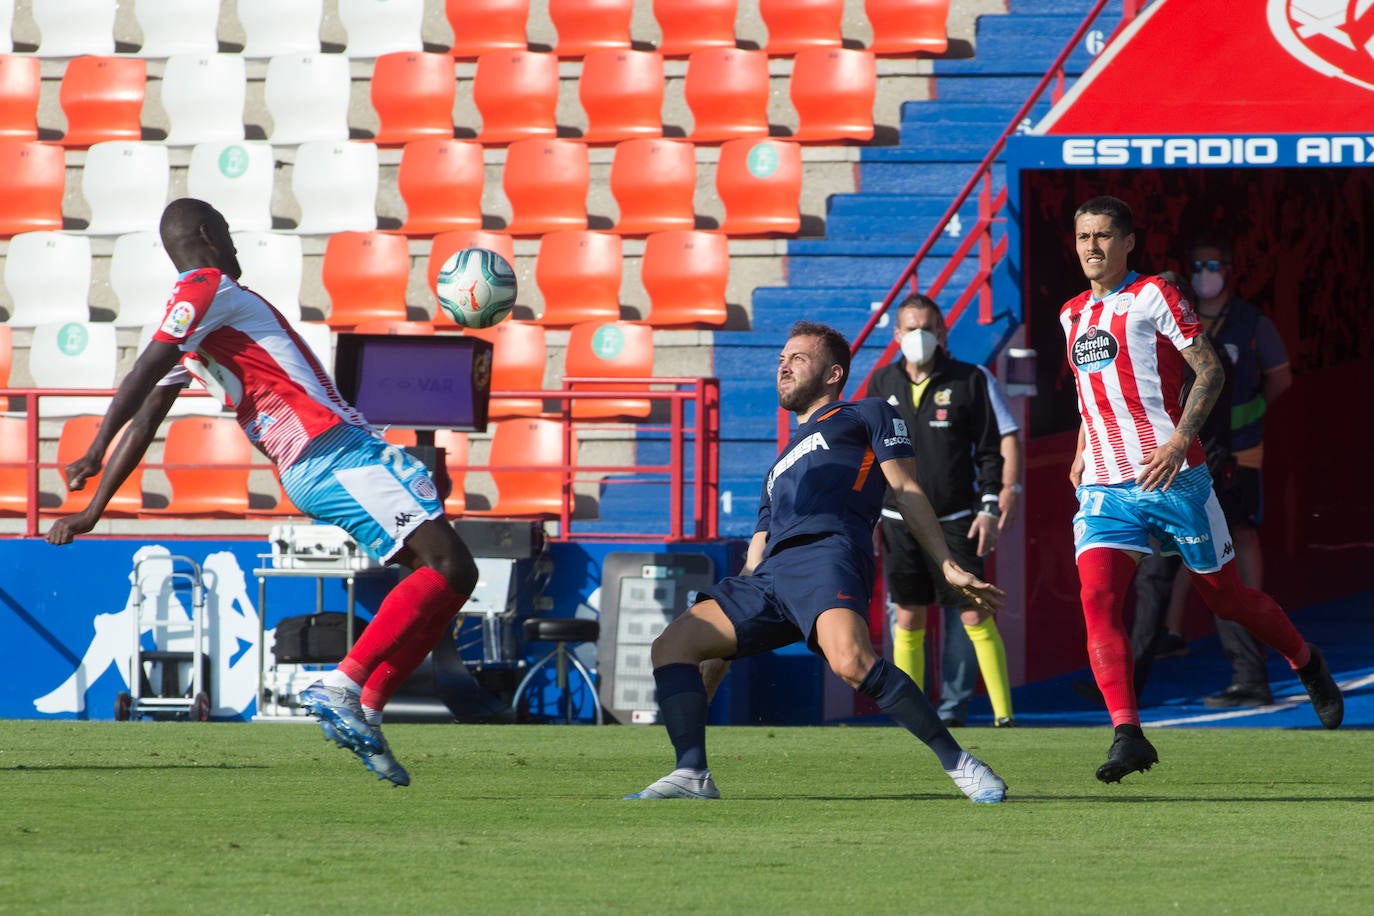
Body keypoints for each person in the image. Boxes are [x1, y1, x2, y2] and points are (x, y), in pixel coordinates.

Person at [46, 198, 479, 788]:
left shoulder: (197, 329)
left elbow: (148, 419)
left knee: (453, 575)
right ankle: (344, 685)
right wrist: (95, 450)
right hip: (330, 448)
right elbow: (143, 373)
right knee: (450, 563)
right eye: (230, 234)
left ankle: (369, 705)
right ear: (208, 235)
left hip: (311, 464)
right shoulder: (206, 286)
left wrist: (93, 509)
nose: (239, 248)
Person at [625, 321, 1008, 803]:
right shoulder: (777, 465)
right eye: (781, 359)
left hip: (827, 554)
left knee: (851, 662)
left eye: (798, 358)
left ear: (833, 374)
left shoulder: (868, 413)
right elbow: (757, 551)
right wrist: (728, 626)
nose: (784, 366)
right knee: (672, 645)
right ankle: (691, 773)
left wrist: (948, 564)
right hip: (766, 578)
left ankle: (960, 763)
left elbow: (907, 491)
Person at [1060, 195, 1342, 783]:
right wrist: (1084, 449)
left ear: (1129, 242)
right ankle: (1128, 735)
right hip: (1108, 487)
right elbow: (1095, 394)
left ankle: (1305, 660)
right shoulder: (1070, 316)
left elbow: (1209, 369)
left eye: (1105, 236)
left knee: (1225, 598)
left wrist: (1176, 440)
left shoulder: (1154, 295)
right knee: (1097, 599)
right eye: (1084, 236)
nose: (1092, 247)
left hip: (1176, 478)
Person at [861, 294, 1016, 727]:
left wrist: (989, 506)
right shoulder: (880, 383)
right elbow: (869, 456)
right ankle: (914, 717)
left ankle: (1004, 716)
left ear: (943, 332)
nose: (920, 337)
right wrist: (869, 512)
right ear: (896, 335)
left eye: (928, 328)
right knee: (908, 614)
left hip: (955, 519)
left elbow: (990, 451)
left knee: (973, 610)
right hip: (897, 520)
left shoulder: (969, 380)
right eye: (911, 329)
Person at [1185, 236, 1292, 707]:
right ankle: (1166, 633)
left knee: (1241, 533)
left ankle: (1254, 614)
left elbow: (1280, 378)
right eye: (1197, 265)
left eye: (1213, 264)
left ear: (1229, 269)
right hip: (1190, 451)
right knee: (1174, 551)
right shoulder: (1178, 317)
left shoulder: (1252, 321)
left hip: (1242, 450)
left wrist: (1247, 417)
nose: (1205, 273)